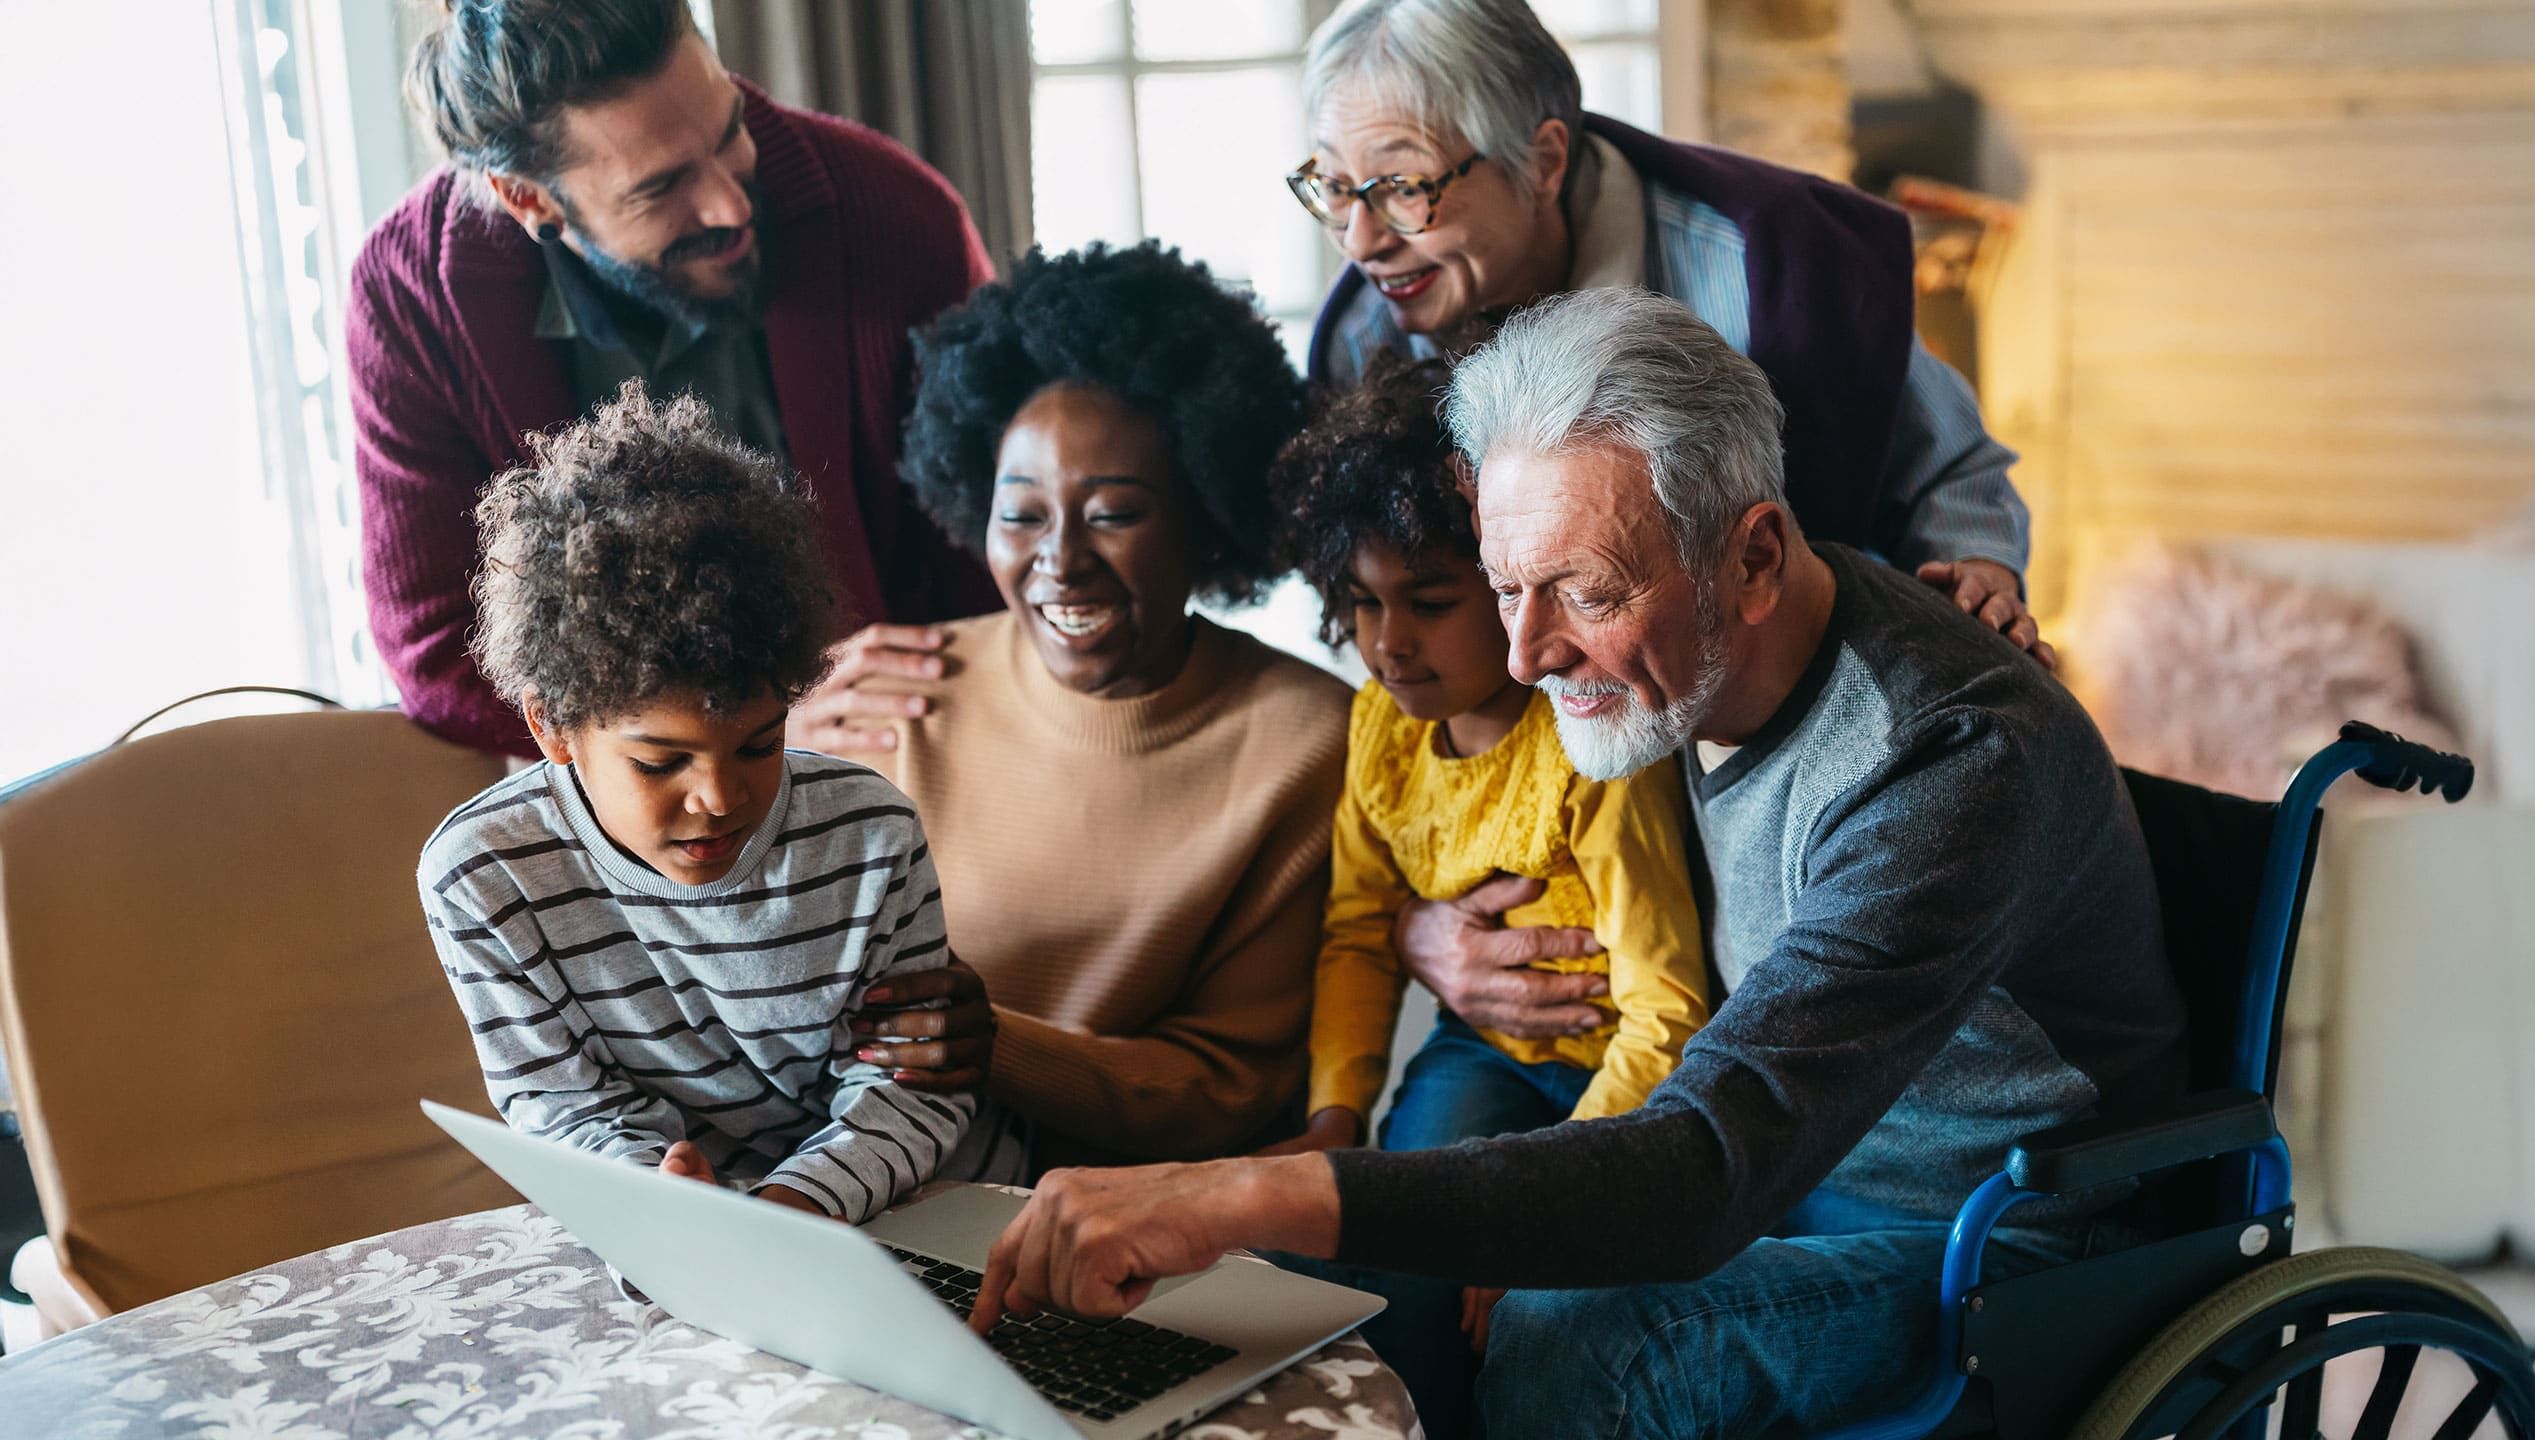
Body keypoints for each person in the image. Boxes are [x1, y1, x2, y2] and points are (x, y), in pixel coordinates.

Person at [964, 290, 2186, 1440]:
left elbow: (1713, 1161)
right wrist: (1412, 943)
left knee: (1573, 1340)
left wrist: (1228, 1190)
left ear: (1757, 555)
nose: (1530, 652)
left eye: (1583, 592)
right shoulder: (1688, 655)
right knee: (1361, 1273)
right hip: (1788, 1170)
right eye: (1502, 588)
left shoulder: (1949, 759)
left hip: (1992, 1232)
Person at [1291, 0, 2050, 668]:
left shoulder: (1767, 272)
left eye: (1402, 188)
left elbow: (1950, 467)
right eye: (1332, 186)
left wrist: (1978, 573)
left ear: (1544, 161)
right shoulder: (1363, 341)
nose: (1359, 242)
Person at [419, 384, 1015, 1226]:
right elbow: (561, 1109)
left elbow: (913, 1089)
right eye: (661, 762)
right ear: (553, 726)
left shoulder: (870, 835)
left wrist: (784, 1211)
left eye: (760, 744)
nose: (721, 798)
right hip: (700, 1236)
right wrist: (670, 1211)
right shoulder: (481, 878)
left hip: (928, 1209)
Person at [354, 0, 996, 763]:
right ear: (528, 199)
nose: (731, 202)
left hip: (895, 761)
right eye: (660, 189)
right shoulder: (408, 299)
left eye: (731, 133)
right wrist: (737, 729)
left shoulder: (900, 220)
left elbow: (991, 566)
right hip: (610, 814)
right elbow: (433, 651)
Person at [1259, 357, 1711, 1434]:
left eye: (1428, 600)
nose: (1388, 641)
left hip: (1626, 1076)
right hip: (1487, 1052)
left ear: (1510, 584)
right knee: (1400, 1245)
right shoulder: (1381, 728)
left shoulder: (1591, 748)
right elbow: (1361, 931)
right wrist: (1334, 1115)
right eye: (1360, 604)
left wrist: (1544, 1208)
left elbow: (1670, 1013)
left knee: (1524, 1296)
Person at [878, 242, 1351, 1166]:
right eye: (1022, 515)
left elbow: (1228, 1089)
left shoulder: (1305, 741)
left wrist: (998, 1049)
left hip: (1142, 1228)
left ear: (1204, 518)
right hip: (884, 1188)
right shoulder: (906, 692)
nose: (1060, 559)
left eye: (1113, 514)